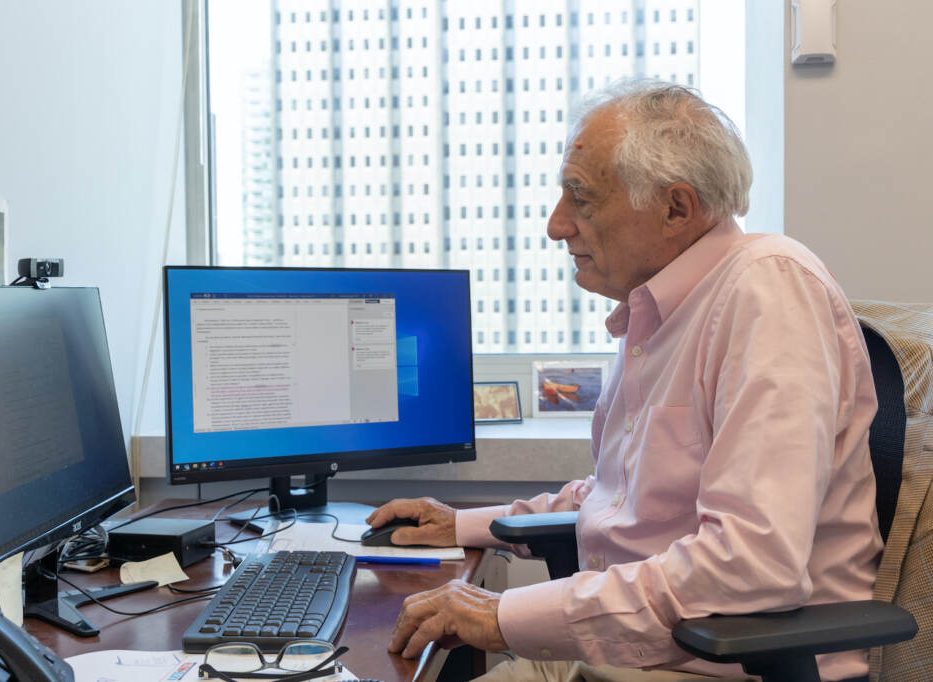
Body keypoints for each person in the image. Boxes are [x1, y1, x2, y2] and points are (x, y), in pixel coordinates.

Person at [366, 81, 882, 682]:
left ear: (676, 208)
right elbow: (618, 498)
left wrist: (504, 615)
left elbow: (750, 566)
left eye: (581, 199)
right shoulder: (664, 314)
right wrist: (464, 524)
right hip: (628, 654)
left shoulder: (767, 292)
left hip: (708, 666)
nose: (557, 226)